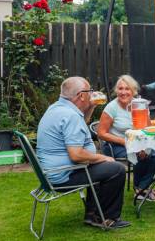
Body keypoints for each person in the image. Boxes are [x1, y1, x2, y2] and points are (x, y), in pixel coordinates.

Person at [36, 76, 130, 229]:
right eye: (90, 91)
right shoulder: (70, 115)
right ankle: (107, 217)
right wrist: (102, 157)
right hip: (64, 175)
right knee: (116, 169)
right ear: (81, 95)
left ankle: (92, 215)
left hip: (50, 174)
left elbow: (80, 124)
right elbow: (76, 155)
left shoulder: (57, 108)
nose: (92, 93)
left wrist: (91, 106)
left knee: (101, 166)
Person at [97, 75, 155, 202]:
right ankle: (142, 190)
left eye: (127, 89)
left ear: (133, 91)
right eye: (120, 89)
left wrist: (144, 144)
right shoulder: (112, 108)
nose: (123, 92)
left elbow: (147, 127)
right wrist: (126, 142)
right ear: (116, 91)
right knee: (140, 154)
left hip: (138, 142)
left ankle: (141, 187)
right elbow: (101, 133)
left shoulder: (140, 105)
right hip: (116, 145)